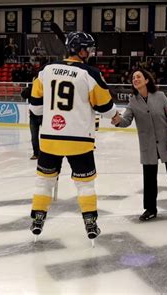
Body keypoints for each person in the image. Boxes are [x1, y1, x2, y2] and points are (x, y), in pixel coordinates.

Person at [29, 32, 119, 241]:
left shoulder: (45, 71)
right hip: (79, 140)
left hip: (51, 138)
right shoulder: (90, 73)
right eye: (88, 48)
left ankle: (38, 218)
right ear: (80, 50)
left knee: (44, 181)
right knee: (85, 184)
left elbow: (36, 109)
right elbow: (105, 106)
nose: (91, 52)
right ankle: (90, 222)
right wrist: (115, 116)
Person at [112, 68, 167, 221]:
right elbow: (126, 120)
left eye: (138, 77)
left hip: (166, 142)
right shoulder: (133, 100)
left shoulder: (160, 96)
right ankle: (150, 209)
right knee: (149, 178)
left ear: (146, 80)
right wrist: (118, 121)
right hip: (148, 145)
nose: (135, 79)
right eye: (133, 78)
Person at [21, 85, 42, 160]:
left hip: (44, 115)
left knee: (44, 136)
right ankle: (36, 153)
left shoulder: (46, 87)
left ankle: (44, 153)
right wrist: (30, 88)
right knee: (34, 136)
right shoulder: (32, 88)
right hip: (34, 116)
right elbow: (23, 95)